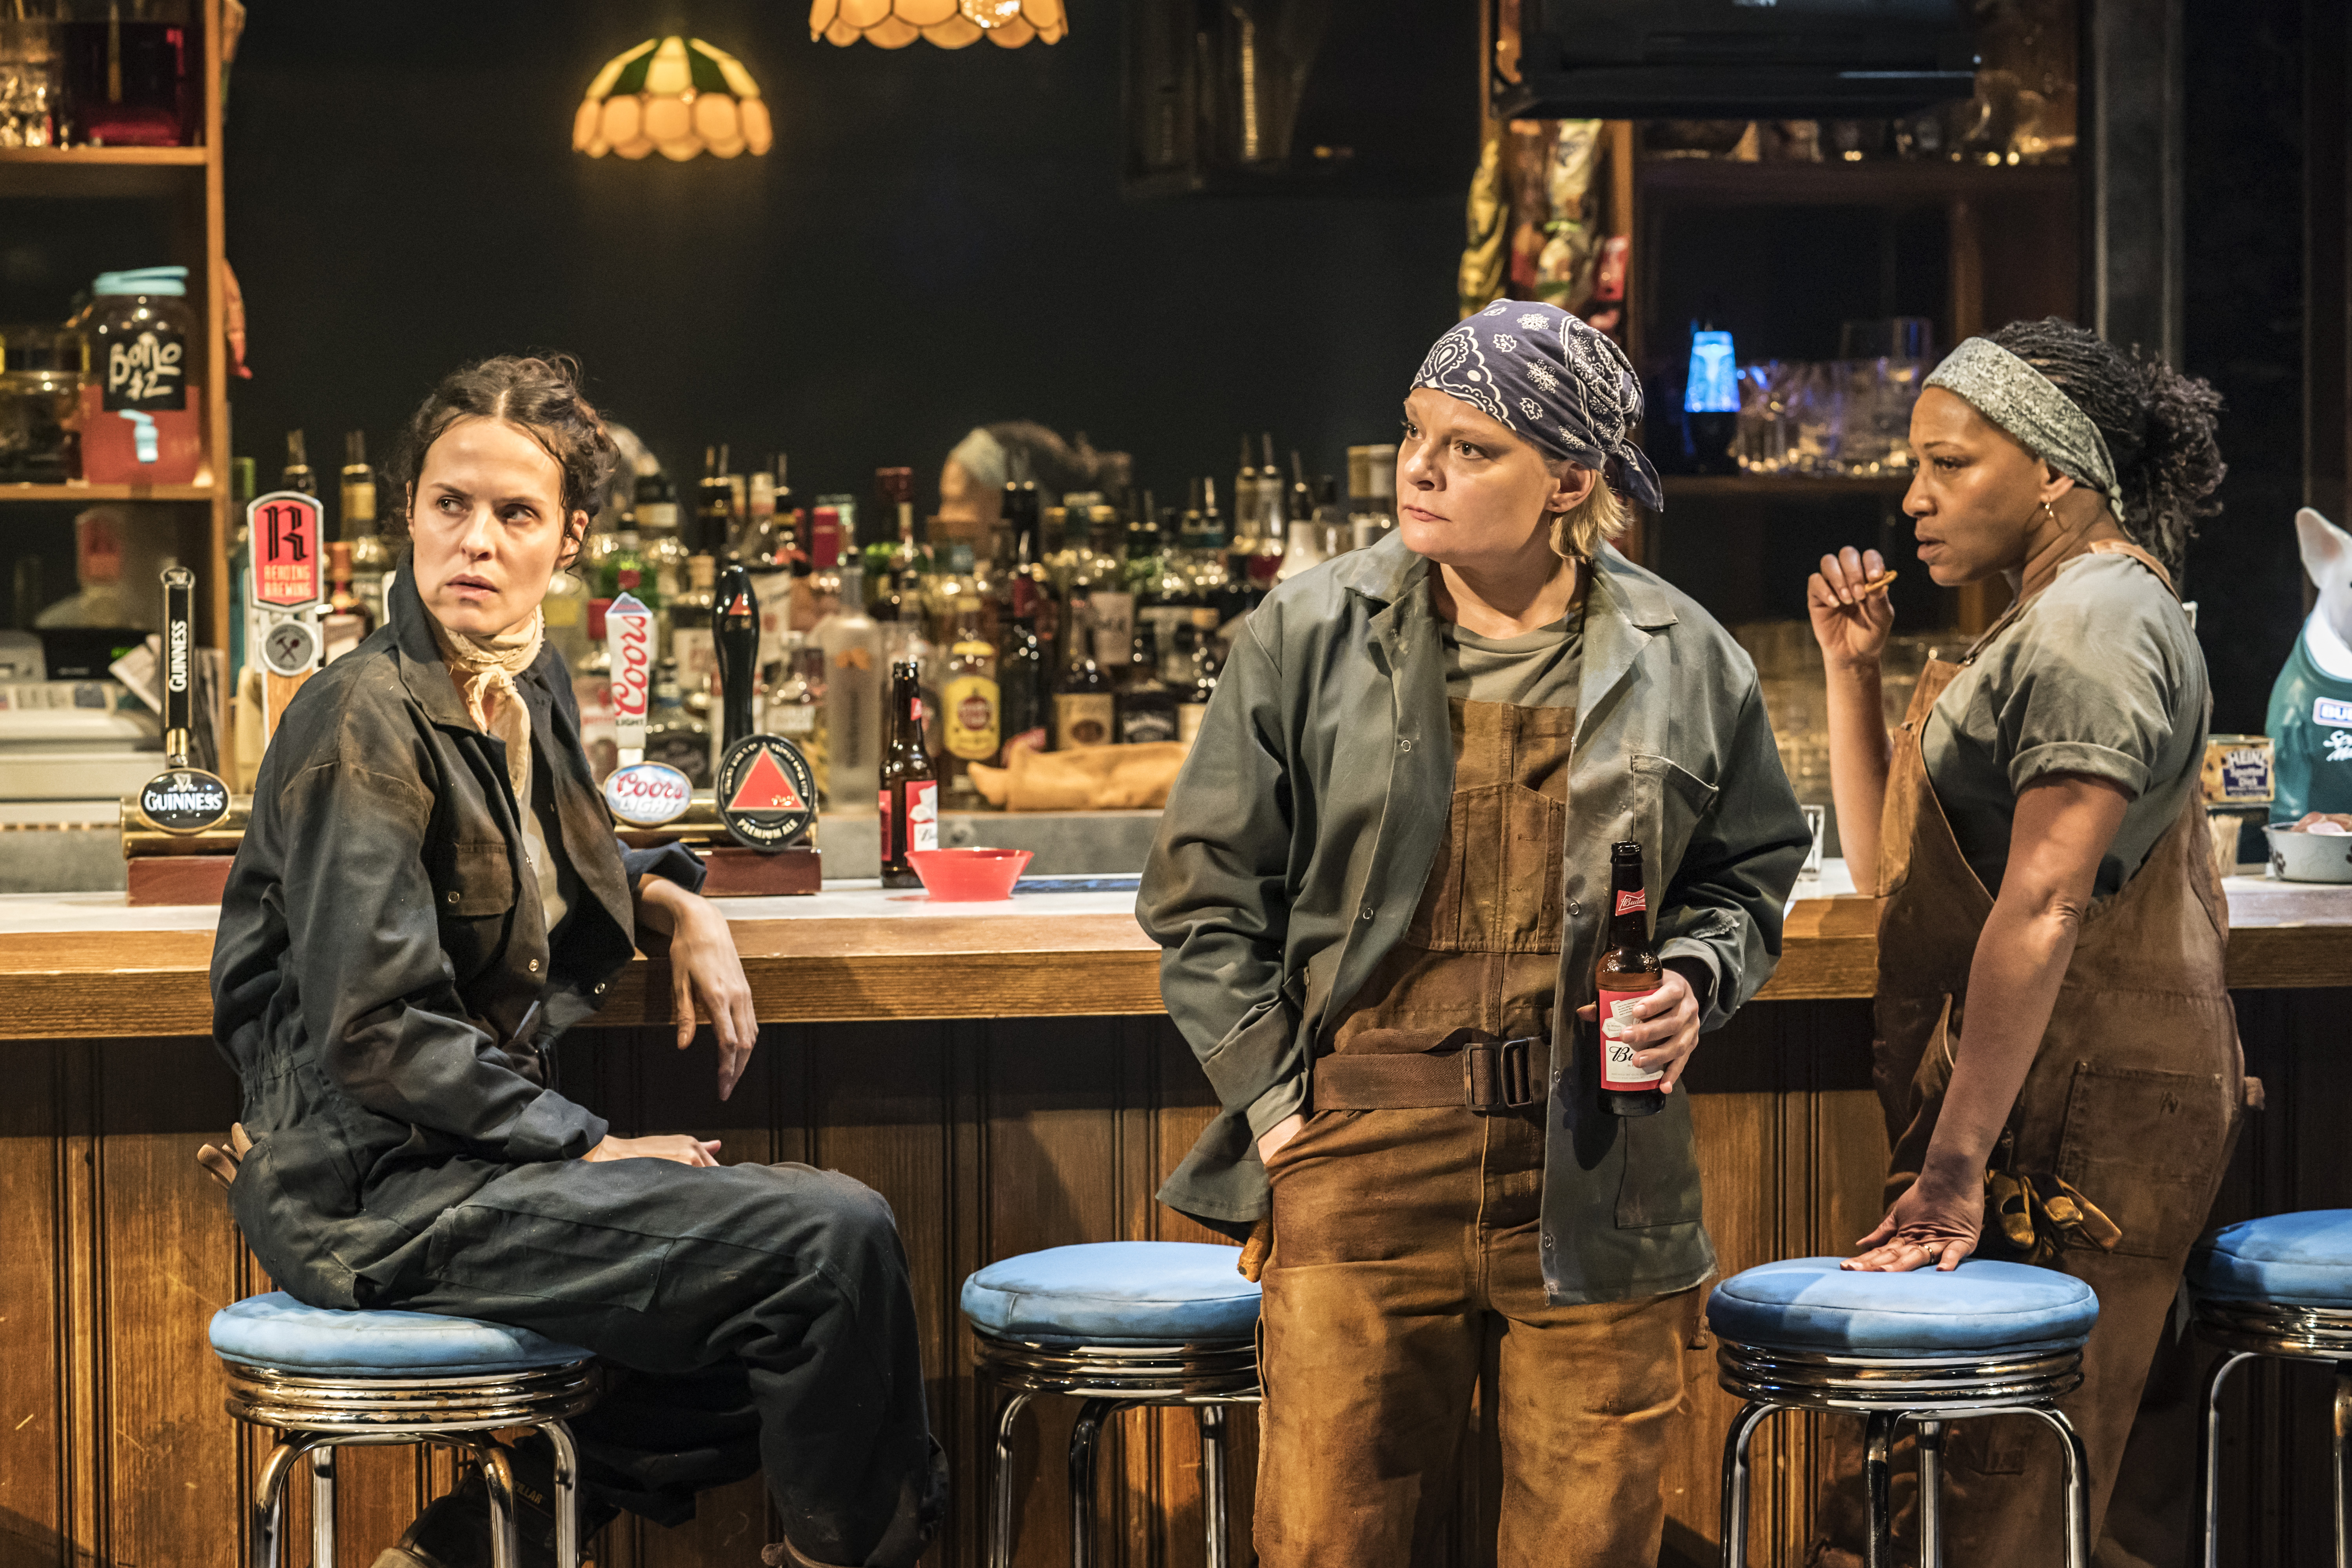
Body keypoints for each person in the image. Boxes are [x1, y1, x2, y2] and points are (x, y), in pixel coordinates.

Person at [209, 356, 944, 1568]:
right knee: (829, 1245)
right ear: (407, 513)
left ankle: (461, 1548)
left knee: (788, 1322)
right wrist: (589, 1145)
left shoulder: (523, 680)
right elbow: (376, 1029)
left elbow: (575, 848)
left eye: (516, 515)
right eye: (451, 505)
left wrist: (674, 900)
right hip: (378, 1192)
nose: (477, 543)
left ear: (572, 539)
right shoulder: (362, 717)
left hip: (467, 1163)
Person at [1140, 300, 1809, 1566]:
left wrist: (1695, 974)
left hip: (1603, 1165)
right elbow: (1202, 896)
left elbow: (1747, 874)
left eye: (1472, 447)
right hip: (1361, 1158)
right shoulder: (1309, 633)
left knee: (1590, 1541)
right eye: (1414, 433)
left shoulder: (1685, 656)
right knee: (1330, 1541)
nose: (1422, 469)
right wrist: (1284, 1113)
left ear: (1570, 479)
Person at [1805, 319, 2239, 1565]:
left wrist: (1952, 1169)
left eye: (1950, 464)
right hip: (2023, 1100)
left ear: (2054, 469)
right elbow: (1910, 858)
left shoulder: (2095, 620)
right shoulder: (2047, 615)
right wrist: (1854, 676)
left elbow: (2045, 905)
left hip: (2072, 1117)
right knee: (1948, 1482)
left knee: (2006, 1490)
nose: (1913, 495)